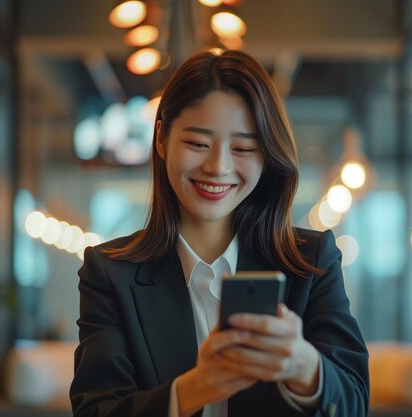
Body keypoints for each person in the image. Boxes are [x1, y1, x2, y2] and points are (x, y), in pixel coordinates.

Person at [70, 49, 369, 417]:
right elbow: (96, 410)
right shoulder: (110, 273)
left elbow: (353, 403)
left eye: (243, 147)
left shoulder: (311, 261)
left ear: (267, 155)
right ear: (161, 139)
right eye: (198, 143)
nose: (218, 167)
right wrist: (195, 388)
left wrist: (305, 366)